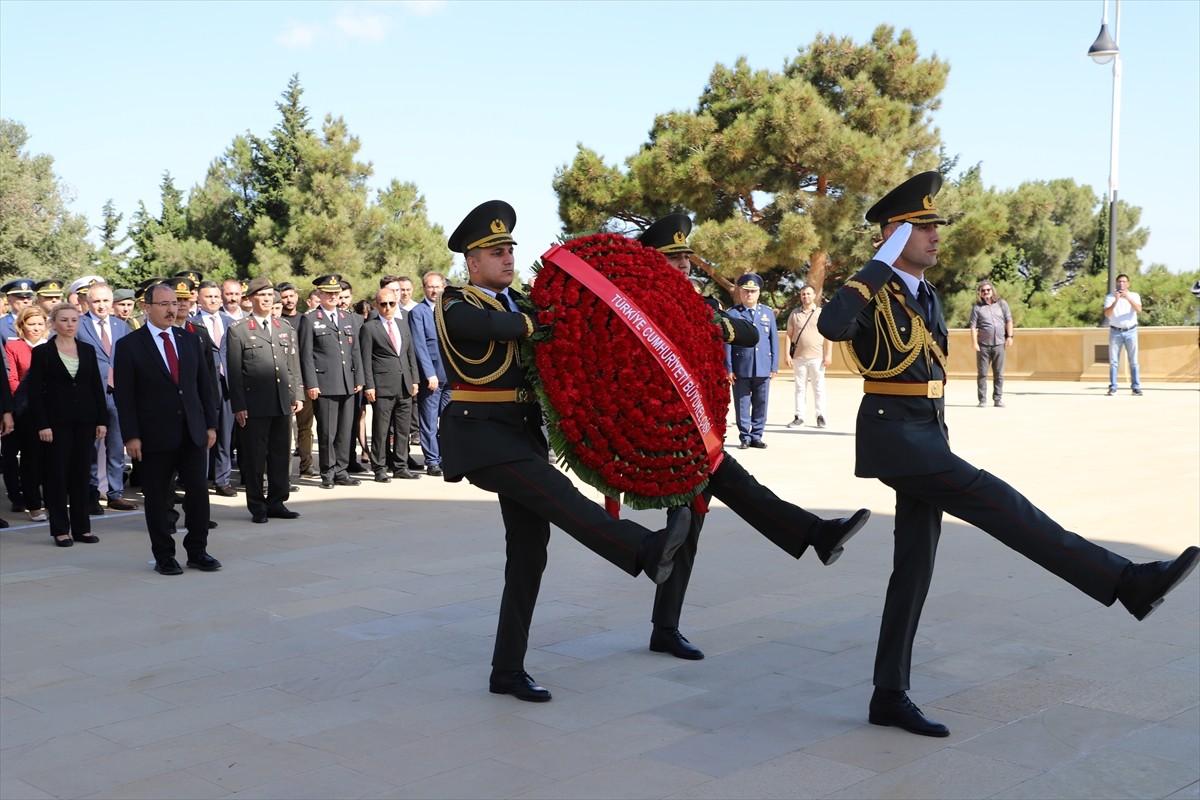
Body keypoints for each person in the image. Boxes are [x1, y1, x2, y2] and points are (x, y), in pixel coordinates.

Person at [818, 171, 1200, 738]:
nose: (935, 235)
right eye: (921, 227)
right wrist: (878, 262)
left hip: (926, 433)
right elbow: (832, 324)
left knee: (914, 567)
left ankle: (888, 694)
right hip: (894, 436)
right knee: (1003, 504)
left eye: (934, 226)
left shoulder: (927, 294)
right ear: (894, 234)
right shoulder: (875, 289)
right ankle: (1124, 582)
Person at [441, 200, 693, 703]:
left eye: (510, 249)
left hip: (520, 433)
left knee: (529, 555)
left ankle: (506, 670)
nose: (508, 258)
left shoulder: (520, 302)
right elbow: (492, 330)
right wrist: (542, 322)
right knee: (562, 500)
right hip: (481, 437)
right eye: (496, 252)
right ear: (472, 262)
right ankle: (640, 549)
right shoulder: (456, 303)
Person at [636, 214, 870, 660]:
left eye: (686, 257)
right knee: (729, 496)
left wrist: (709, 326)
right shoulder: (639, 309)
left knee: (689, 525)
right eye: (674, 258)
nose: (684, 265)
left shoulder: (700, 304)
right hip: (665, 433)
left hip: (697, 430)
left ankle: (665, 627)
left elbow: (744, 332)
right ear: (654, 264)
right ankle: (817, 535)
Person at [113, 282, 220, 576]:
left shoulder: (190, 340)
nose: (172, 309)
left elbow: (204, 388)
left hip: (192, 432)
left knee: (198, 495)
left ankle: (198, 551)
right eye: (164, 304)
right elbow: (125, 396)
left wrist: (210, 424)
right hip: (153, 436)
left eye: (174, 303)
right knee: (159, 499)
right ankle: (164, 556)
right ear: (146, 307)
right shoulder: (129, 345)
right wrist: (131, 435)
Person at [25, 304, 108, 546]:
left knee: (81, 475)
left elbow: (96, 388)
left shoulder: (88, 350)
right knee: (57, 476)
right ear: (53, 323)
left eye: (74, 319)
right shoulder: (42, 352)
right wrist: (43, 424)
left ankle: (82, 528)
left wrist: (102, 420)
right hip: (55, 423)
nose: (70, 324)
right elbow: (35, 393)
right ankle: (60, 529)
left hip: (85, 420)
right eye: (64, 320)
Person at [226, 277, 304, 524]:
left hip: (282, 401)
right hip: (255, 404)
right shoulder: (239, 329)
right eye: (262, 295)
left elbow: (293, 365)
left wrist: (297, 394)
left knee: (280, 455)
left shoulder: (284, 328)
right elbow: (235, 371)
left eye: (271, 295)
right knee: (255, 457)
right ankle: (257, 505)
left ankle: (277, 502)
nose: (268, 299)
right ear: (250, 299)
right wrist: (238, 405)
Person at [73, 282, 138, 512]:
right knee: (90, 447)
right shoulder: (79, 325)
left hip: (118, 394)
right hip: (90, 395)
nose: (101, 305)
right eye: (96, 301)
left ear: (112, 302)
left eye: (105, 301)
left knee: (116, 445)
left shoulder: (121, 326)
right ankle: (90, 493)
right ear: (87, 302)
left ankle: (115, 493)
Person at [297, 274, 363, 489]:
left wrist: (359, 378)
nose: (333, 296)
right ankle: (327, 471)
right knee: (328, 432)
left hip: (348, 382)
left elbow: (355, 352)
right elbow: (306, 354)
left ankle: (341, 470)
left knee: (345, 431)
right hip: (324, 383)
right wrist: (311, 383)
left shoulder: (348, 318)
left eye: (336, 293)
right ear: (320, 294)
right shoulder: (310, 319)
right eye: (329, 293)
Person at [359, 288, 421, 482]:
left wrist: (415, 379)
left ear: (396, 303)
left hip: (405, 385)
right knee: (381, 430)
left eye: (391, 303)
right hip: (382, 386)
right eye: (383, 304)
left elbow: (410, 354)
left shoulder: (403, 325)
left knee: (403, 429)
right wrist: (369, 385)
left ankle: (401, 466)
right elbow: (365, 359)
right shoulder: (370, 328)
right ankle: (379, 467)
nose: (387, 308)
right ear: (377, 305)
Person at [5, 307, 49, 520]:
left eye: (40, 324)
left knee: (46, 459)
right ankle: (26, 499)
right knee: (26, 458)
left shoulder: (52, 347)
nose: (36, 328)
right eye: (32, 324)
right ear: (22, 326)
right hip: (22, 411)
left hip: (49, 411)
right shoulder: (13, 346)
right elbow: (12, 379)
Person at [726, 274, 778, 449]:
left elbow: (774, 341)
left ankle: (757, 435)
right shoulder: (732, 314)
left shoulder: (767, 314)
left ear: (758, 293)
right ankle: (745, 437)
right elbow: (727, 344)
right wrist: (729, 368)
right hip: (741, 367)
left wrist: (774, 366)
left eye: (753, 291)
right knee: (742, 403)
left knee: (761, 403)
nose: (749, 294)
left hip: (763, 365)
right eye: (746, 291)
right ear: (740, 293)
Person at [194, 280, 237, 497]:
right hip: (205, 386)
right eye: (208, 296)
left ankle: (223, 480)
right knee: (204, 435)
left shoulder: (231, 322)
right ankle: (200, 479)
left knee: (225, 436)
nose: (212, 300)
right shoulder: (191, 324)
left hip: (228, 385)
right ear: (198, 299)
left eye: (215, 297)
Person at [408, 271, 449, 477]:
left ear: (444, 287)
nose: (434, 290)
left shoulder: (449, 310)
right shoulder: (418, 312)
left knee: (450, 420)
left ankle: (446, 457)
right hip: (431, 378)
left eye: (438, 287)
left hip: (451, 376)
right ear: (424, 288)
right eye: (430, 287)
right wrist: (429, 374)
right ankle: (432, 460)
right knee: (429, 421)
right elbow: (419, 346)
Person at [784, 285, 833, 428]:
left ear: (814, 296)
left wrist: (828, 354)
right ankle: (799, 417)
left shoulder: (821, 313)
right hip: (798, 358)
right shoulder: (794, 314)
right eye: (803, 294)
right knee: (800, 388)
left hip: (817, 357)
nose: (805, 296)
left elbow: (828, 335)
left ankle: (820, 416)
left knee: (818, 388)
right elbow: (789, 335)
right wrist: (787, 354)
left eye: (808, 294)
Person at [968, 280, 1013, 408]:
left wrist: (1009, 336)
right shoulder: (977, 308)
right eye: (983, 290)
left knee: (999, 373)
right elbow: (973, 327)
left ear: (992, 291)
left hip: (999, 343)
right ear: (980, 293)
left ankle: (998, 399)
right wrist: (974, 343)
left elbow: (1009, 321)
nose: (986, 292)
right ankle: (982, 400)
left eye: (988, 290)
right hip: (983, 345)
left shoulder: (1002, 304)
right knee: (982, 374)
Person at [1103, 273, 1142, 396]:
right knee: (1114, 361)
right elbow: (1107, 314)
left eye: (1124, 282)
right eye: (1119, 281)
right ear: (1116, 283)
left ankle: (1136, 387)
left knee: (1134, 361)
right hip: (1115, 332)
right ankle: (1113, 387)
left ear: (1128, 284)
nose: (1121, 284)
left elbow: (1139, 310)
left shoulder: (1134, 296)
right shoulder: (1110, 297)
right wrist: (1116, 300)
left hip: (1131, 331)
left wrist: (1128, 298)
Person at [0, 278, 36, 342]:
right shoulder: (2, 325)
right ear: (9, 300)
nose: (26, 301)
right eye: (21, 297)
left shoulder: (42, 324)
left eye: (29, 297)